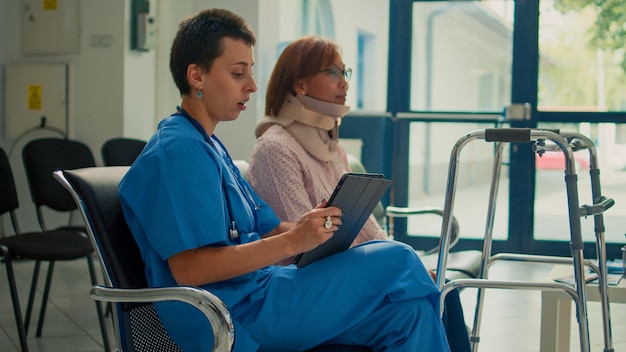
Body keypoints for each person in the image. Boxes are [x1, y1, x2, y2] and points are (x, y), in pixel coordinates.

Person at [119, 8, 450, 352]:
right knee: (399, 258)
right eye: (237, 73)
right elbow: (189, 269)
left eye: (250, 71)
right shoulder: (177, 153)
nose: (251, 85)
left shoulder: (209, 147)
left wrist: (309, 228)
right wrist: (294, 243)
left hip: (262, 292)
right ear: (196, 76)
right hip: (230, 313)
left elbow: (270, 227)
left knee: (410, 315)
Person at [247, 35, 471, 352]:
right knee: (424, 281)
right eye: (333, 73)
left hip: (342, 275)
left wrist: (397, 265)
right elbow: (298, 247)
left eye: (345, 72)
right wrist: (386, 269)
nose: (344, 83)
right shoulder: (275, 149)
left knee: (423, 302)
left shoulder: (333, 149)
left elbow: (366, 227)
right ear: (300, 85)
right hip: (303, 288)